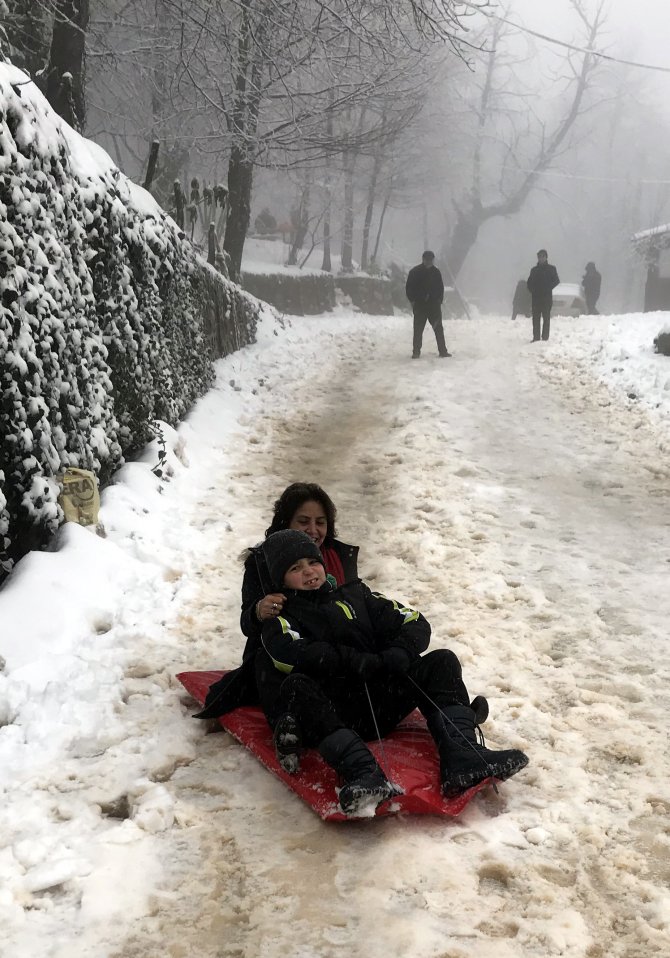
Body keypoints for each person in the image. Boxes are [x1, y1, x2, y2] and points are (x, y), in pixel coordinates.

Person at [257, 529, 529, 816]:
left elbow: (413, 621)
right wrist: (352, 660)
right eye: (295, 568)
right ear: (281, 580)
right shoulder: (281, 620)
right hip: (336, 715)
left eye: (312, 562)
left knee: (442, 661)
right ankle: (363, 775)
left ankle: (463, 758)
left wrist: (396, 654)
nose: (308, 571)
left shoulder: (356, 594)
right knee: (296, 686)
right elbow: (290, 655)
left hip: (384, 701)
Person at [193, 483, 359, 721]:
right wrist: (258, 611)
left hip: (337, 654)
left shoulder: (339, 556)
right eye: (303, 521)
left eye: (320, 522)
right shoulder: (262, 562)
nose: (313, 530)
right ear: (286, 522)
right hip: (285, 658)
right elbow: (247, 623)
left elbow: (357, 605)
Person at [405, 250, 452, 360]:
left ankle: (443, 351)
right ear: (423, 259)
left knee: (438, 329)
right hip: (420, 306)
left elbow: (440, 288)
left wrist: (439, 301)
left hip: (434, 307)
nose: (429, 262)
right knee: (418, 330)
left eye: (431, 260)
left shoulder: (436, 272)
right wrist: (414, 300)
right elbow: (409, 288)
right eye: (428, 260)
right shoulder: (415, 272)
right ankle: (416, 352)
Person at [527, 249, 560, 342]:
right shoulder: (534, 270)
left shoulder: (551, 269)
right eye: (539, 257)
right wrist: (533, 290)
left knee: (546, 318)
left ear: (546, 257)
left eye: (543, 256)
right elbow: (529, 283)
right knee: (535, 319)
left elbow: (556, 281)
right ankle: (536, 338)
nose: (541, 258)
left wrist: (547, 288)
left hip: (546, 298)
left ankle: (545, 338)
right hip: (536, 298)